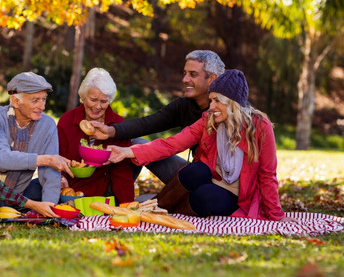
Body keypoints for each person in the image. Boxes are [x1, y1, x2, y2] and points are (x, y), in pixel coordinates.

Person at [108, 70, 296, 222]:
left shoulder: (260, 127)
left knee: (204, 197)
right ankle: (155, 209)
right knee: (196, 170)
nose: (211, 106)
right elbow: (173, 143)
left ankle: (161, 209)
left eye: (217, 101)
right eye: (211, 100)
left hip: (237, 195)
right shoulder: (209, 120)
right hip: (210, 178)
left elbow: (267, 174)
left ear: (233, 104)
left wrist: (276, 215)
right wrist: (128, 151)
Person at [90, 50, 225, 186]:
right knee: (136, 145)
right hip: (192, 174)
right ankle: (117, 198)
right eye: (185, 73)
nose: (185, 80)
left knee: (199, 172)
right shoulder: (185, 105)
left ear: (212, 78)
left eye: (193, 74)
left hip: (221, 183)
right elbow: (148, 123)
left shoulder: (227, 111)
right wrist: (111, 131)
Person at [0, 72, 71, 208]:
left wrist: (49, 207)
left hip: (18, 193)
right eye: (35, 100)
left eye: (43, 99)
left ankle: (19, 205)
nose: (42, 106)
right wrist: (47, 159)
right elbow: (1, 159)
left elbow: (50, 173)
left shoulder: (48, 124)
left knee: (44, 185)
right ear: (16, 101)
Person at [57, 68, 134, 204]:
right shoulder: (67, 121)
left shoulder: (118, 125)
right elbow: (57, 157)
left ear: (110, 100)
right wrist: (61, 181)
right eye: (93, 100)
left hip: (104, 192)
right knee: (35, 188)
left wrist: (126, 206)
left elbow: (122, 172)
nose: (97, 106)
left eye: (104, 101)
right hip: (71, 190)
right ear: (83, 97)